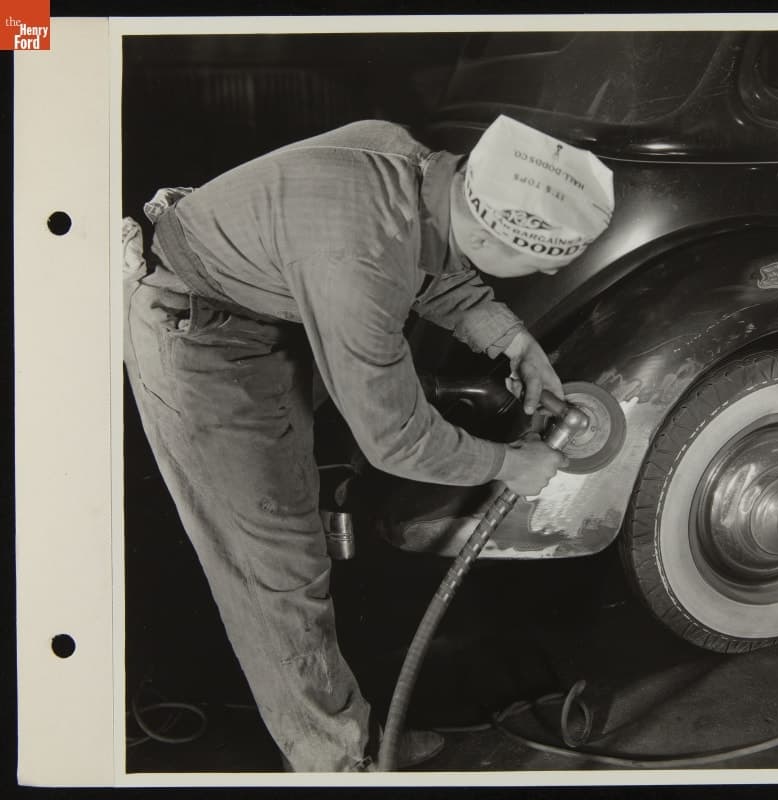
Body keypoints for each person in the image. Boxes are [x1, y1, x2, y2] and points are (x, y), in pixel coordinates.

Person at [122, 115, 615, 772]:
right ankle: (341, 767)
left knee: (302, 539)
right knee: (278, 570)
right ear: (494, 231)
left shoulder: (408, 161)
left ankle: (354, 734)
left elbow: (438, 259)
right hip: (199, 336)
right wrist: (508, 464)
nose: (516, 276)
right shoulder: (358, 260)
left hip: (266, 308)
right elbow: (396, 439)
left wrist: (512, 340)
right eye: (524, 266)